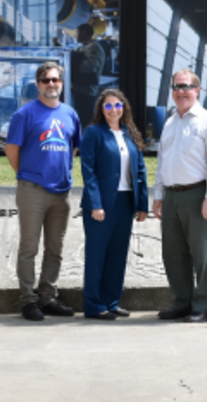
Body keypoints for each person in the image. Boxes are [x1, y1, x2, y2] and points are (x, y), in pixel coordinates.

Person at [4, 62, 80, 321]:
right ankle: (28, 299)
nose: (51, 84)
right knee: (29, 247)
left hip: (62, 192)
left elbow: (73, 148)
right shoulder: (25, 114)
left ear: (61, 83)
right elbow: (11, 150)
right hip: (32, 190)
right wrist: (27, 174)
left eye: (55, 80)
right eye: (46, 80)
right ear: (38, 85)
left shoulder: (70, 114)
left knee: (55, 248)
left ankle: (48, 296)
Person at [152, 69, 207, 323]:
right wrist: (159, 195)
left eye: (186, 86)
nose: (181, 91)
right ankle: (182, 303)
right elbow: (163, 161)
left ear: (197, 90)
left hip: (197, 195)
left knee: (202, 253)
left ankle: (204, 306)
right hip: (171, 196)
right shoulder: (170, 122)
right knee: (173, 252)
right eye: (177, 86)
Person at [79, 89, 148, 320]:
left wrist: (142, 204)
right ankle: (94, 305)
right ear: (101, 109)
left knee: (118, 255)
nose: (113, 109)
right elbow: (88, 172)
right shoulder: (93, 133)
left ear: (124, 108)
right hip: (101, 205)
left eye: (117, 105)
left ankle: (112, 301)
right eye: (108, 106)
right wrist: (96, 205)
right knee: (97, 255)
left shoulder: (130, 134)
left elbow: (140, 170)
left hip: (125, 202)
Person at [70, 23, 106, 129]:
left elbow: (90, 66)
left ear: (84, 32)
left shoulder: (94, 47)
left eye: (77, 32)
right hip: (79, 88)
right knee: (81, 117)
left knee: (85, 118)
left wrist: (74, 63)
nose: (75, 35)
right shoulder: (85, 47)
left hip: (86, 90)